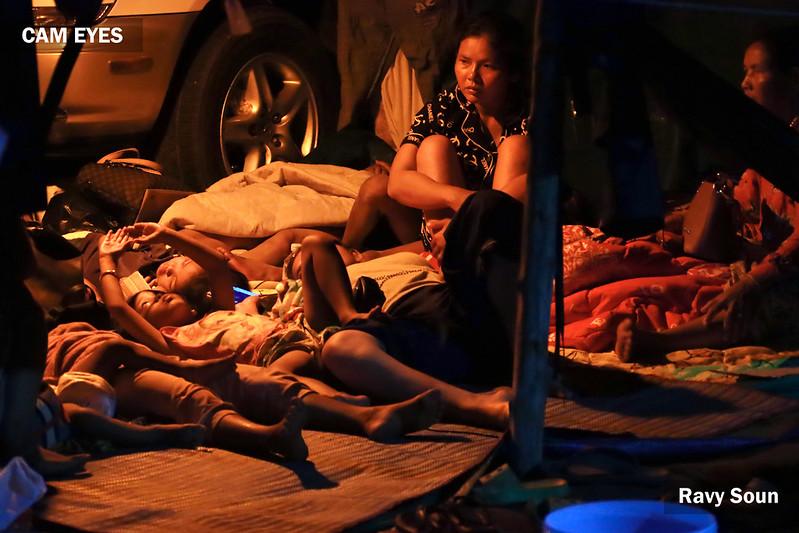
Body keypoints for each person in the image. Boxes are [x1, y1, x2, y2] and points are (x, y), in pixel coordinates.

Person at [615, 31, 799, 361]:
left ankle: (657, 344)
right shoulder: (766, 146)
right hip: (756, 267)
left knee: (750, 302)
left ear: (793, 78)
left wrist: (752, 282)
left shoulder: (788, 148)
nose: (744, 82)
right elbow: (743, 213)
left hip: (785, 276)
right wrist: (665, 226)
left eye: (756, 70)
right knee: (673, 278)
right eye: (744, 71)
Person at [387, 11, 529, 261]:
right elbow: (396, 182)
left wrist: (471, 217)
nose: (472, 76)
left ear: (512, 72)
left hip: (503, 235)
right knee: (433, 146)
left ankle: (484, 256)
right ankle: (448, 256)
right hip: (446, 233)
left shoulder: (530, 111)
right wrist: (455, 197)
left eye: (487, 66)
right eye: (464, 62)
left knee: (516, 146)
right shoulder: (445, 107)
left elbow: (536, 182)